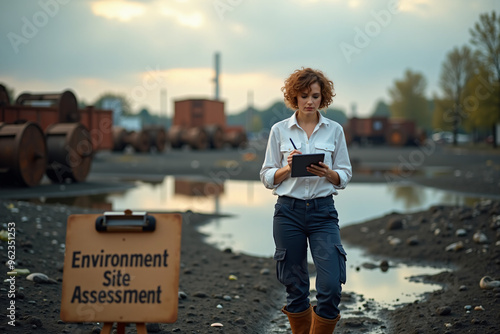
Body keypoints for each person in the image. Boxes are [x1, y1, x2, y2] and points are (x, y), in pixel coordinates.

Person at [260, 67, 352, 334]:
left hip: (324, 213)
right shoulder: (279, 130)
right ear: (294, 98)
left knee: (331, 285)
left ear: (323, 97)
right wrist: (288, 168)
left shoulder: (335, 130)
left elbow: (345, 174)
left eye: (315, 95)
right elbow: (266, 176)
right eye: (303, 96)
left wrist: (329, 173)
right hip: (288, 212)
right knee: (295, 287)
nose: (310, 101)